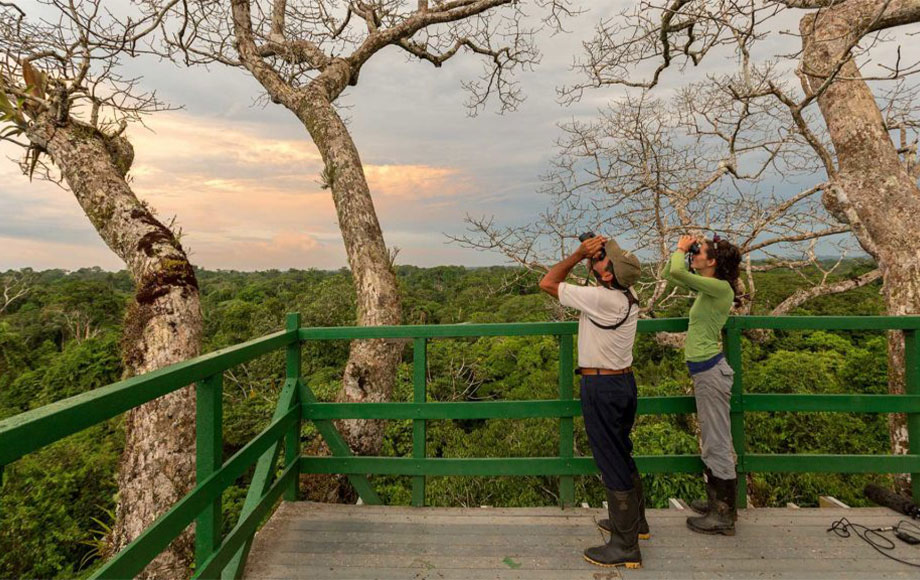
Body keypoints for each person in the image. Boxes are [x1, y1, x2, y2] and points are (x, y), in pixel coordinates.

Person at [538, 234, 646, 569]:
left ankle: (625, 547)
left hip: (602, 386)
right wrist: (594, 259)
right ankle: (635, 524)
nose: (596, 259)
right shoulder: (628, 294)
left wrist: (577, 254)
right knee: (622, 452)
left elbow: (548, 282)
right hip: (623, 382)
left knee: (610, 460)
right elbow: (603, 278)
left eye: (601, 259)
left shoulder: (601, 299)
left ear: (608, 274)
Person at [661, 234, 742, 536]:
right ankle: (717, 504)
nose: (694, 255)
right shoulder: (710, 288)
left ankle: (723, 515)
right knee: (712, 438)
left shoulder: (720, 288)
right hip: (705, 372)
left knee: (717, 441)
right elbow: (671, 273)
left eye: (700, 252)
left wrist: (682, 250)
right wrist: (682, 254)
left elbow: (678, 270)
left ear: (713, 262)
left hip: (710, 373)